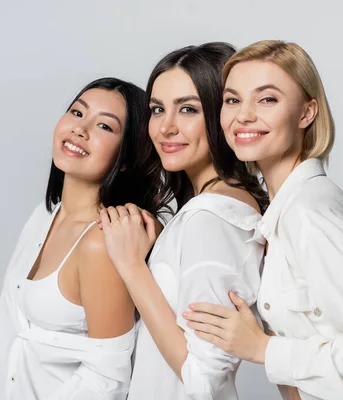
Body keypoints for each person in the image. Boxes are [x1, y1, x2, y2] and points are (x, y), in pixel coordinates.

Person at [183, 40, 343, 400]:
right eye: (232, 100)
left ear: (306, 113)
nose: (243, 115)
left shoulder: (309, 213)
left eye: (267, 99)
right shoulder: (285, 211)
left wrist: (262, 349)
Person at [98, 42, 268, 400]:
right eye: (157, 110)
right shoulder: (215, 209)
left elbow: (204, 381)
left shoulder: (210, 218)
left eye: (188, 109)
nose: (165, 127)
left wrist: (132, 268)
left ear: (224, 114)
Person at [0, 77, 156, 400]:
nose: (80, 129)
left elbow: (108, 380)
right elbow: (13, 338)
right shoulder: (44, 217)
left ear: (127, 157)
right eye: (77, 113)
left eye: (104, 126)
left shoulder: (101, 242)